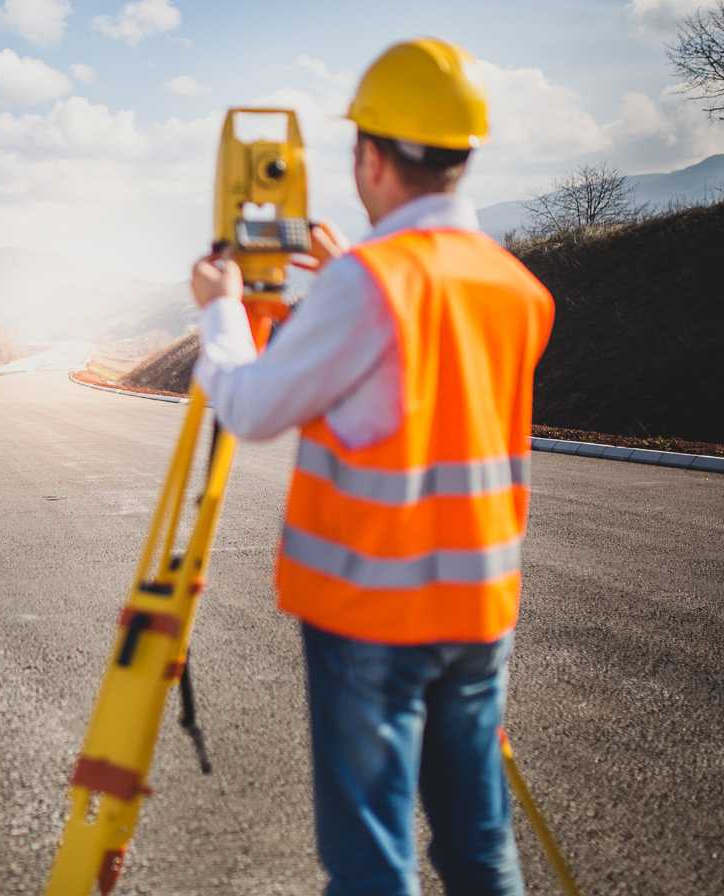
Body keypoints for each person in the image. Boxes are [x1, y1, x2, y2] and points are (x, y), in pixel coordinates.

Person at [190, 38, 555, 896]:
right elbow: (417, 371)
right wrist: (352, 259)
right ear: (461, 160)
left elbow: (249, 405)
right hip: (476, 613)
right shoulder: (513, 285)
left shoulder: (371, 284)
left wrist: (221, 312)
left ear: (370, 156)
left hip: (373, 616)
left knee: (371, 862)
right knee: (478, 847)